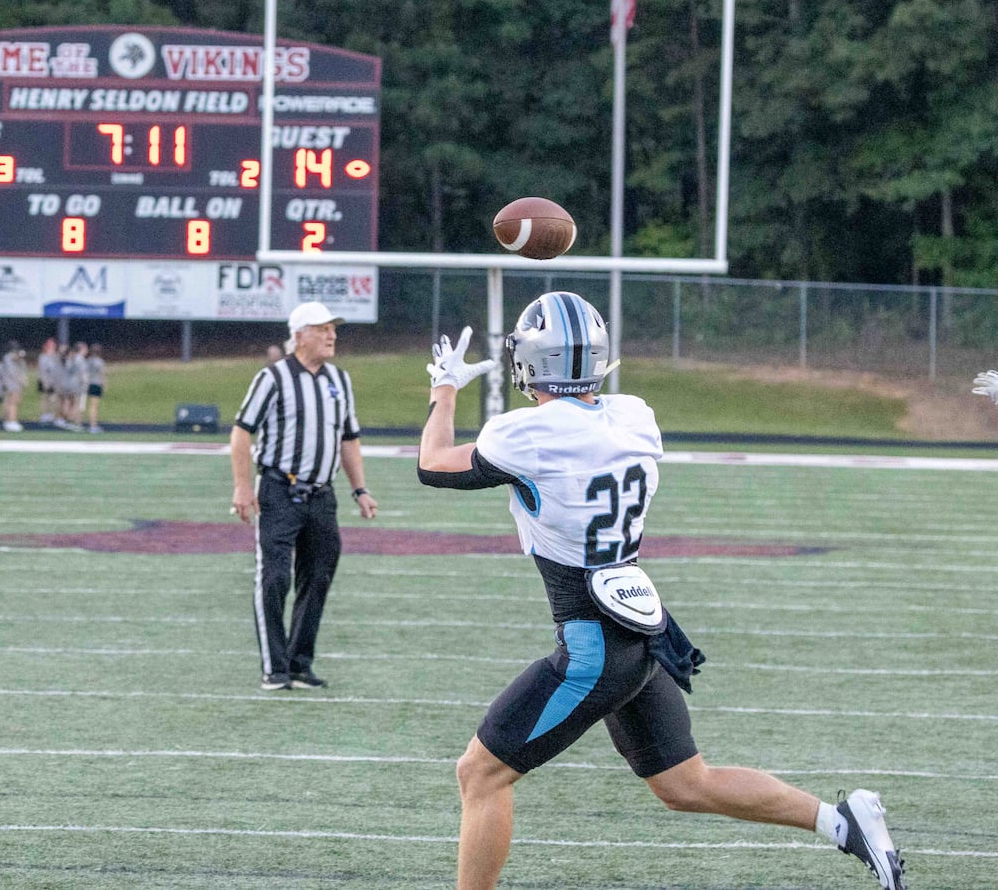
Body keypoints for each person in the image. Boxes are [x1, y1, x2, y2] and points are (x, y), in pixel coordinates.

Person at [415, 291, 905, 890]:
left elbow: (434, 462)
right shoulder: (635, 414)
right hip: (643, 625)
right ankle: (843, 822)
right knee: (684, 784)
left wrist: (445, 388)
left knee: (481, 775)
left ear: (532, 361)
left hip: (592, 643)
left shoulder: (526, 433)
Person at [230, 300, 379, 691]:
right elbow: (242, 431)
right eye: (321, 328)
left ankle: (298, 662)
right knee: (275, 577)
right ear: (299, 335)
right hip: (279, 489)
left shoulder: (339, 380)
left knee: (318, 576)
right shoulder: (273, 378)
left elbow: (348, 438)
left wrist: (359, 488)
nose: (331, 334)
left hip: (321, 494)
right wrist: (243, 486)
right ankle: (274, 666)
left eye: (333, 328)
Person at [36, 337, 62, 425]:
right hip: (45, 380)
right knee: (44, 398)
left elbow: (58, 369)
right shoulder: (43, 356)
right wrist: (44, 381)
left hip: (54, 381)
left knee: (54, 399)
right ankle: (44, 414)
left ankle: (51, 414)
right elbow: (42, 370)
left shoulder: (56, 356)